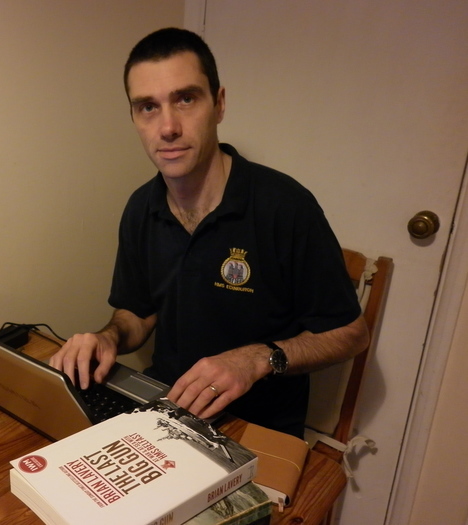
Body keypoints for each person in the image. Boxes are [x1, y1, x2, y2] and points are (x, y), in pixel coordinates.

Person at [49, 27, 368, 438]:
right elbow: (137, 313)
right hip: (164, 409)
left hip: (257, 428)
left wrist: (257, 359)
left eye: (185, 99)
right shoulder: (141, 208)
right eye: (148, 107)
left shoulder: (285, 206)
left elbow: (351, 335)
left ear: (218, 104)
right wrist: (108, 337)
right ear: (133, 117)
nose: (168, 127)